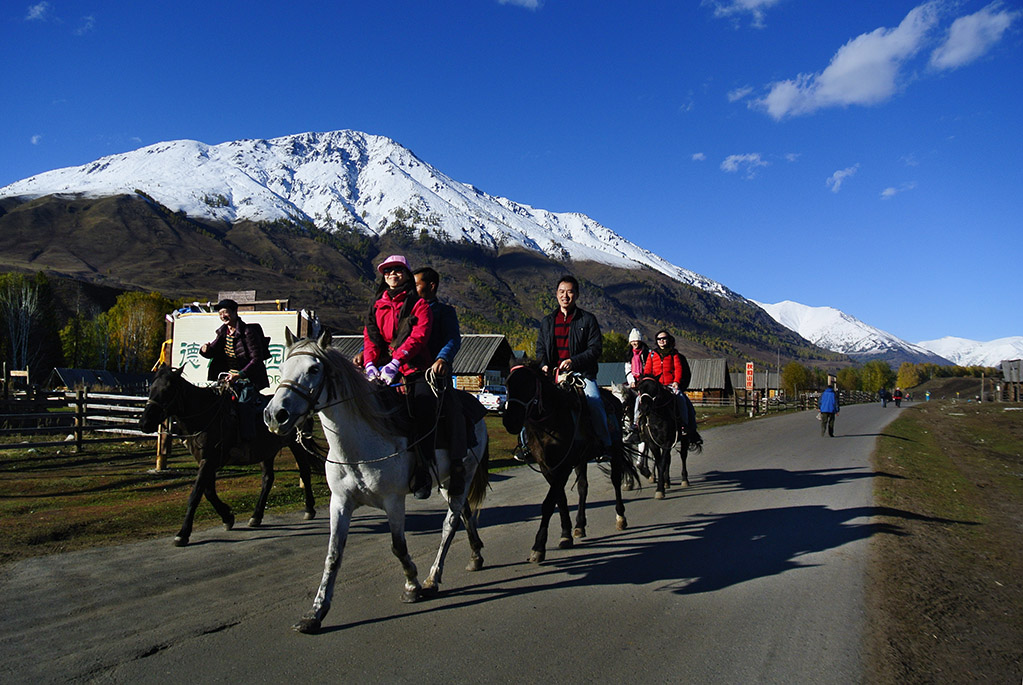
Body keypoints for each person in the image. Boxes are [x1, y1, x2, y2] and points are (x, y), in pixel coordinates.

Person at [362, 254, 436, 499]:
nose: (392, 275)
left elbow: (420, 336)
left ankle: (423, 470)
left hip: (413, 369)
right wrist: (370, 364)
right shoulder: (376, 306)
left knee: (422, 410)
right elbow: (371, 338)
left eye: (397, 271)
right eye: (387, 272)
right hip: (382, 371)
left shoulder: (419, 305)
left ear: (406, 274)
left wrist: (397, 361)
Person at [535, 275, 616, 462]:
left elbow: (595, 349)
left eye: (570, 292)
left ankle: (605, 443)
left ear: (577, 295)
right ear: (556, 294)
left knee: (595, 402)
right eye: (561, 291)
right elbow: (540, 348)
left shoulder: (587, 320)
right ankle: (527, 443)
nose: (565, 296)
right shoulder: (548, 321)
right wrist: (544, 364)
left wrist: (574, 361)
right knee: (531, 399)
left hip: (581, 374)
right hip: (553, 375)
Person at [412, 266, 466, 496]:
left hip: (434, 372)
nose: (413, 289)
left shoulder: (445, 312)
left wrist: (443, 358)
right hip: (407, 371)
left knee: (453, 408)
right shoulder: (407, 310)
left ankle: (457, 464)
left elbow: (453, 338)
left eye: (417, 284)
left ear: (431, 286)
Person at [199, 298, 269, 405]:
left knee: (243, 407)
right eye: (220, 314)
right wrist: (204, 350)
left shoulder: (248, 332)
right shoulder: (223, 332)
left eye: (225, 312)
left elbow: (256, 359)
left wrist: (239, 375)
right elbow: (213, 351)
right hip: (228, 378)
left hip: (249, 380)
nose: (223, 316)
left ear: (234, 312)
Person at [643, 329, 701, 445]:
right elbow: (648, 369)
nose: (662, 341)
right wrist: (647, 380)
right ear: (656, 341)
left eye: (664, 338)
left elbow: (678, 369)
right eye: (659, 339)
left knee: (680, 397)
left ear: (668, 340)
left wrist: (676, 381)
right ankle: (638, 425)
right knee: (642, 399)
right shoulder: (652, 354)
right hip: (657, 385)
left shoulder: (674, 354)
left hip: (670, 384)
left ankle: (684, 424)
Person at [621, 328, 650, 441]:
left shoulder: (647, 354)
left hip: (644, 382)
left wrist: (643, 380)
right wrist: (631, 380)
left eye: (636, 341)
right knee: (621, 395)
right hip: (633, 381)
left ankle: (636, 423)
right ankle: (623, 423)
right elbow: (627, 369)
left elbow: (648, 368)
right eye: (633, 341)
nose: (635, 343)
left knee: (639, 400)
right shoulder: (629, 355)